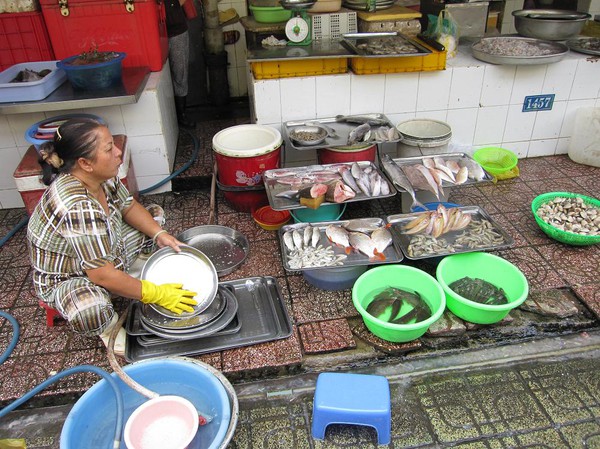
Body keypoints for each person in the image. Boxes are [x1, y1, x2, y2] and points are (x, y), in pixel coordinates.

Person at [27, 118, 198, 355]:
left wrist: (160, 234)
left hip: (98, 250)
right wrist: (156, 293)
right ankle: (108, 328)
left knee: (154, 216)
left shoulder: (100, 177)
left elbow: (128, 206)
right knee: (90, 310)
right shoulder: (78, 207)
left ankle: (129, 276)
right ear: (85, 163)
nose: (118, 152)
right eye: (109, 149)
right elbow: (101, 275)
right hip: (70, 276)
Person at [165, 0, 196, 129]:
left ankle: (181, 115)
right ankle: (173, 115)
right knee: (162, 75)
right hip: (153, 31)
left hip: (176, 30)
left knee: (180, 73)